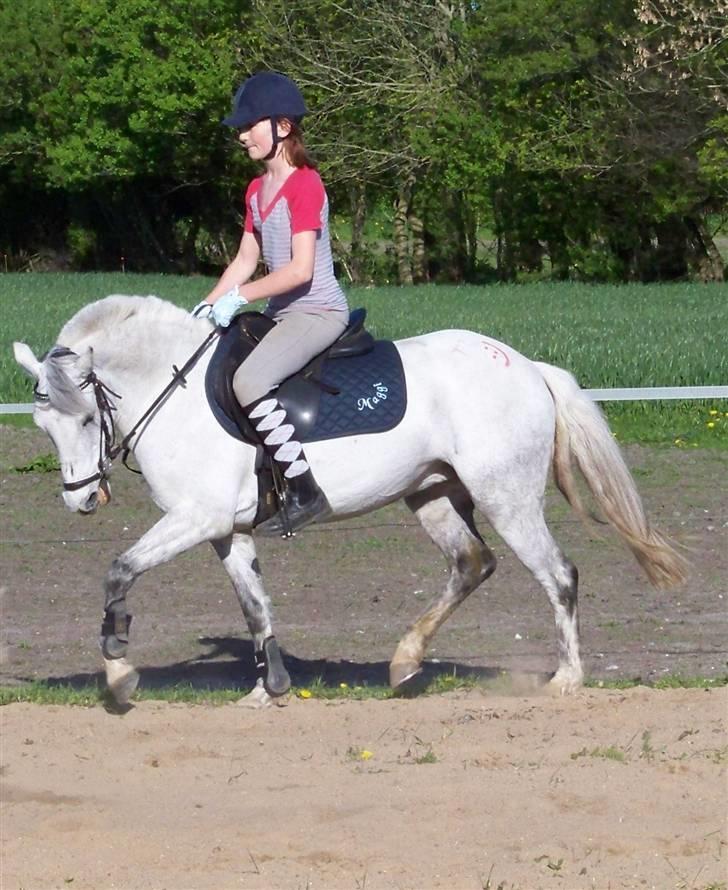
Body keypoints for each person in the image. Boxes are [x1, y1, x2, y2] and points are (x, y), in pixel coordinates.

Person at [192, 72, 350, 536]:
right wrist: (205, 307)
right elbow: (245, 260)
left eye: (249, 125)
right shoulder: (255, 190)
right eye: (240, 128)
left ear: (282, 126)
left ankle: (304, 490)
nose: (242, 136)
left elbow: (300, 271)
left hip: (318, 312)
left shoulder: (306, 185)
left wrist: (240, 297)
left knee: (250, 380)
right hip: (279, 314)